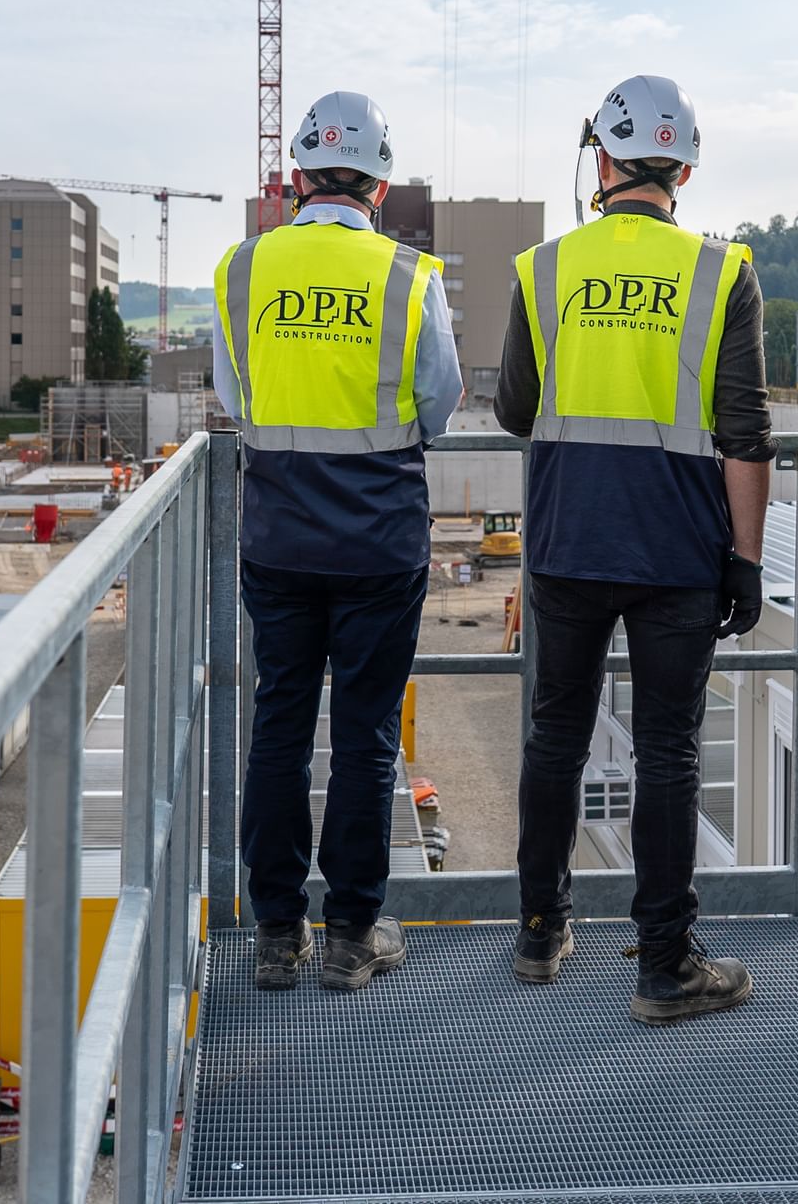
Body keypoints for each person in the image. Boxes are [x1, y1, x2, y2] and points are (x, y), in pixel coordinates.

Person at [498, 74, 774, 1026]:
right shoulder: (721, 270)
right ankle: (665, 966)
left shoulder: (543, 268)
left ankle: (539, 930)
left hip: (571, 539)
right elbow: (745, 428)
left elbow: (514, 411)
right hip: (678, 550)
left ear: (601, 161)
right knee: (667, 752)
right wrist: (746, 558)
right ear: (684, 169)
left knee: (555, 735)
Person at [213, 92, 462, 992]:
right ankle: (353, 937)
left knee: (279, 725)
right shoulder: (408, 274)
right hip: (378, 541)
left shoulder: (244, 269)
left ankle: (279, 935)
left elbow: (237, 399)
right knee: (364, 738)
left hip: (277, 533)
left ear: (297, 178)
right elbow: (441, 399)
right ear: (380, 185)